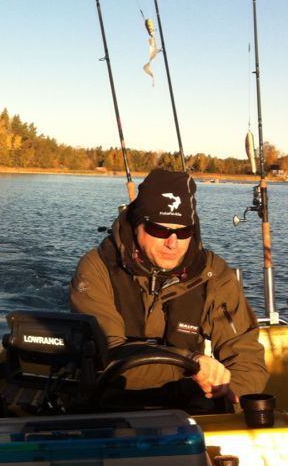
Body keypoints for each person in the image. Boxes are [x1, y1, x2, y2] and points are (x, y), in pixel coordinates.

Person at [69, 168, 267, 407]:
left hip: (189, 410)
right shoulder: (96, 269)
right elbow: (109, 356)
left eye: (183, 231)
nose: (172, 243)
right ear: (136, 224)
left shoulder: (214, 274)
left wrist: (225, 401)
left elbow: (247, 358)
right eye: (159, 230)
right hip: (111, 407)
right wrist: (192, 363)